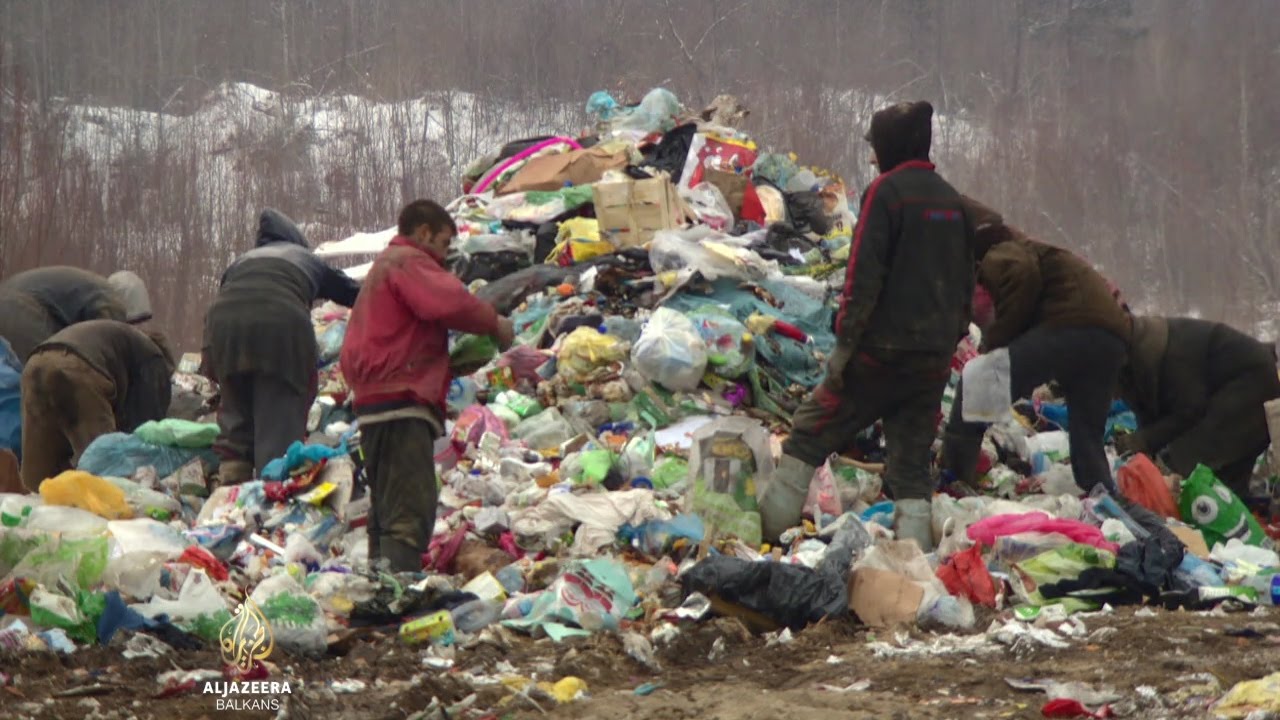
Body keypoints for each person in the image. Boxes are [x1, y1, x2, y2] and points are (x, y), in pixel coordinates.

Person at [758, 101, 976, 551]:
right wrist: (945, 343)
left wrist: (844, 347)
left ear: (891, 145)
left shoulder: (887, 193)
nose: (874, 157)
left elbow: (861, 278)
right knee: (912, 468)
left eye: (876, 147)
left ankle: (766, 539)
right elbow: (965, 284)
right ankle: (915, 567)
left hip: (879, 355)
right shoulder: (951, 200)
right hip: (930, 364)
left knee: (808, 433)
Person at [341, 199, 514, 572]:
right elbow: (447, 302)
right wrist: (493, 323)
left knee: (387, 503)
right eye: (443, 243)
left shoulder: (386, 266)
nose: (445, 255)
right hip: (398, 396)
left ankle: (381, 583)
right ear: (423, 233)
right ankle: (397, 589)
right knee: (410, 501)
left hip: (376, 398)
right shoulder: (407, 260)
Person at [941, 198, 1132, 495]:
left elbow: (1022, 274)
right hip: (1109, 338)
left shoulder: (1000, 253)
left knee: (978, 381)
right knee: (1086, 438)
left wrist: (997, 347)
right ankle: (1107, 509)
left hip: (1071, 326)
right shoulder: (1036, 249)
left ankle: (952, 479)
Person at [203, 208, 361, 485]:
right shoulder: (304, 258)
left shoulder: (240, 263)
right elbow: (351, 292)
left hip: (222, 328)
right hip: (280, 326)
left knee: (236, 405)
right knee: (279, 414)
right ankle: (273, 490)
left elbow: (227, 296)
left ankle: (231, 488)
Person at [1117, 315, 1280, 497]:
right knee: (1220, 476)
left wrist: (1144, 441)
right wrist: (1144, 446)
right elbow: (1148, 410)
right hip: (1231, 385)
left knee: (1191, 458)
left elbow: (1189, 410)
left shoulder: (1172, 355)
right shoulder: (1139, 362)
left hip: (1250, 381)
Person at [19, 319, 175, 491]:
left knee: (38, 479)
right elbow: (145, 428)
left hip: (36, 364)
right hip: (77, 368)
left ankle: (31, 515)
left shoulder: (116, 341)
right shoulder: (153, 356)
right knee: (106, 467)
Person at [0, 266, 152, 362]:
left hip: (8, 297)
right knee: (47, 375)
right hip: (22, 309)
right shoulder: (111, 301)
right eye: (133, 322)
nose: (135, 328)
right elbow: (105, 353)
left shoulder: (92, 288)